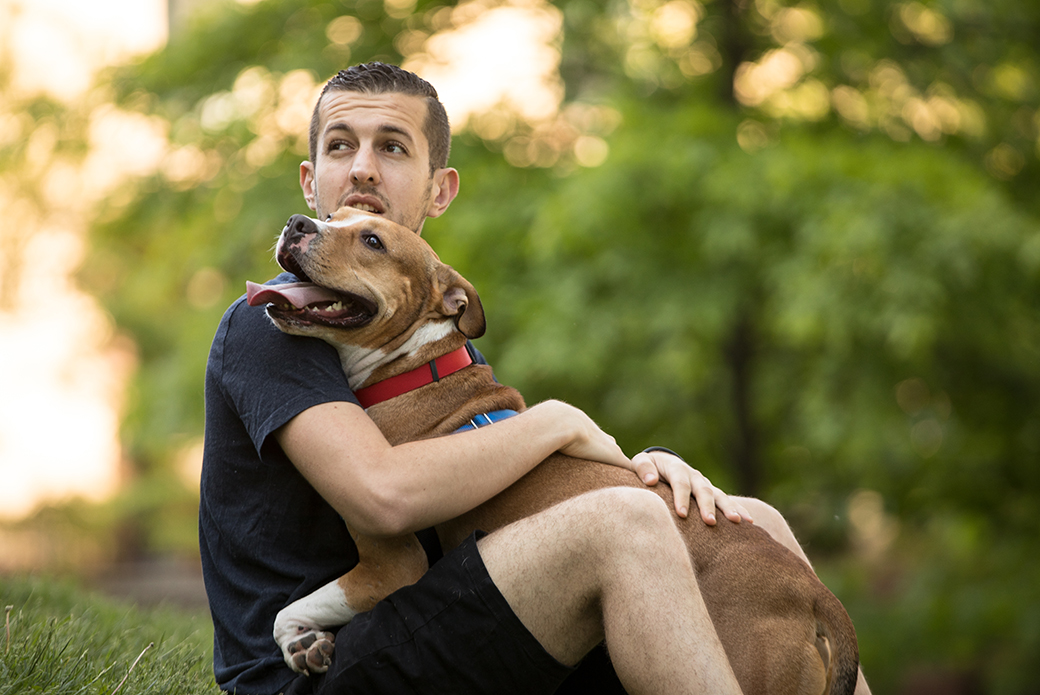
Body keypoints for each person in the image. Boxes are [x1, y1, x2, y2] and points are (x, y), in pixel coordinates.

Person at [200, 62, 866, 695]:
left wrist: (647, 471)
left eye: (394, 148)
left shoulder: (423, 342)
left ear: (441, 188)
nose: (364, 167)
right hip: (319, 668)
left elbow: (508, 481)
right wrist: (559, 422)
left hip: (439, 622)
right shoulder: (275, 317)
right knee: (623, 521)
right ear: (311, 181)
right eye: (340, 146)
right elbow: (385, 496)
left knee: (753, 518)